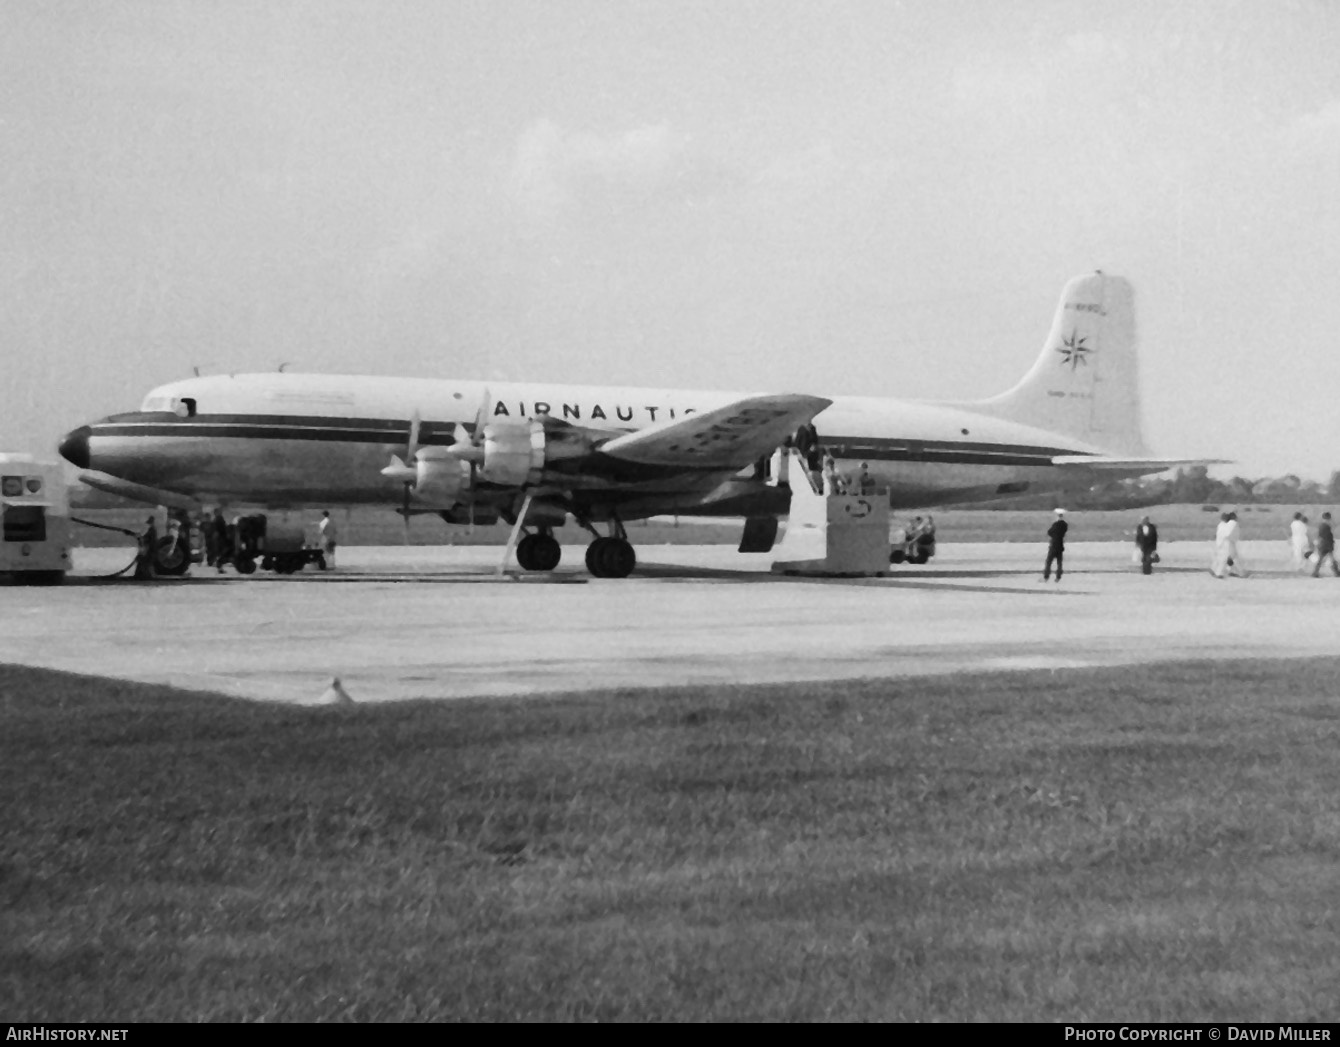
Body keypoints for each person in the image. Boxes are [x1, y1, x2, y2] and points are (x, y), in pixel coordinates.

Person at [1312, 512, 1340, 578]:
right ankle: (1336, 572)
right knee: (1329, 559)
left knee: (1324, 559)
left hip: (1323, 544)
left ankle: (1316, 572)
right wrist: (1331, 544)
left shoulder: (1321, 525)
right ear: (1329, 518)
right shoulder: (1326, 526)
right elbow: (1328, 536)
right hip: (1327, 545)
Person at [1043, 508, 1067, 582]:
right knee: (1059, 562)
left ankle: (1046, 576)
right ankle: (1058, 576)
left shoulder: (1055, 524)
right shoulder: (1065, 525)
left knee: (1049, 561)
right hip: (1060, 545)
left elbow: (1049, 532)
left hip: (1053, 545)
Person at [134, 515, 158, 580]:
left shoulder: (149, 528)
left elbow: (142, 537)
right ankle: (146, 575)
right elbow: (142, 537)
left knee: (145, 562)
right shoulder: (150, 528)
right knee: (146, 562)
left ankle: (146, 575)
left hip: (148, 549)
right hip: (148, 549)